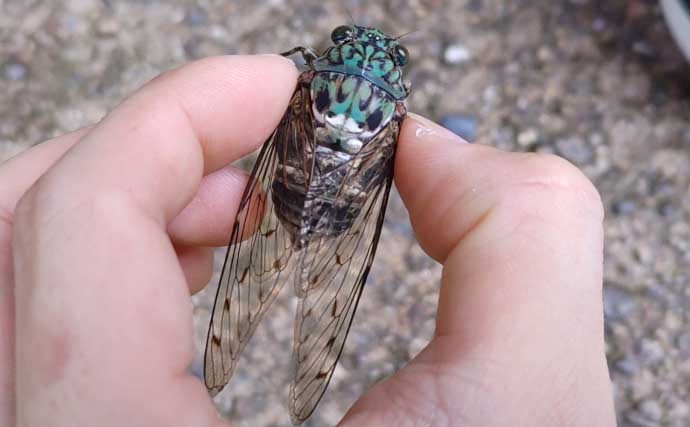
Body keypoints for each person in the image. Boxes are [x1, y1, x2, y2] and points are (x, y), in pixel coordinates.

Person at [0, 55, 616, 426]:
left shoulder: (307, 85)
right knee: (329, 284)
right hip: (347, 206)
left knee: (243, 239)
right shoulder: (392, 113)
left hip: (286, 189)